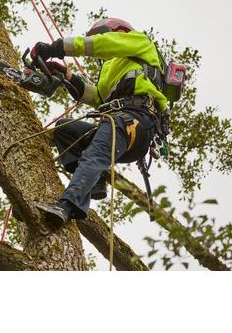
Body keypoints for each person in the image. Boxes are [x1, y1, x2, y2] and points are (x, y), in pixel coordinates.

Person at [30, 18, 168, 227]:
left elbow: (104, 44)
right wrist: (67, 76)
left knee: (97, 151)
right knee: (66, 129)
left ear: (115, 31)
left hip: (136, 121)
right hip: (116, 122)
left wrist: (56, 47)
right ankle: (96, 179)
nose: (99, 42)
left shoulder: (139, 41)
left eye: (100, 36)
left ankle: (68, 205)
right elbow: (98, 99)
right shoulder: (110, 71)